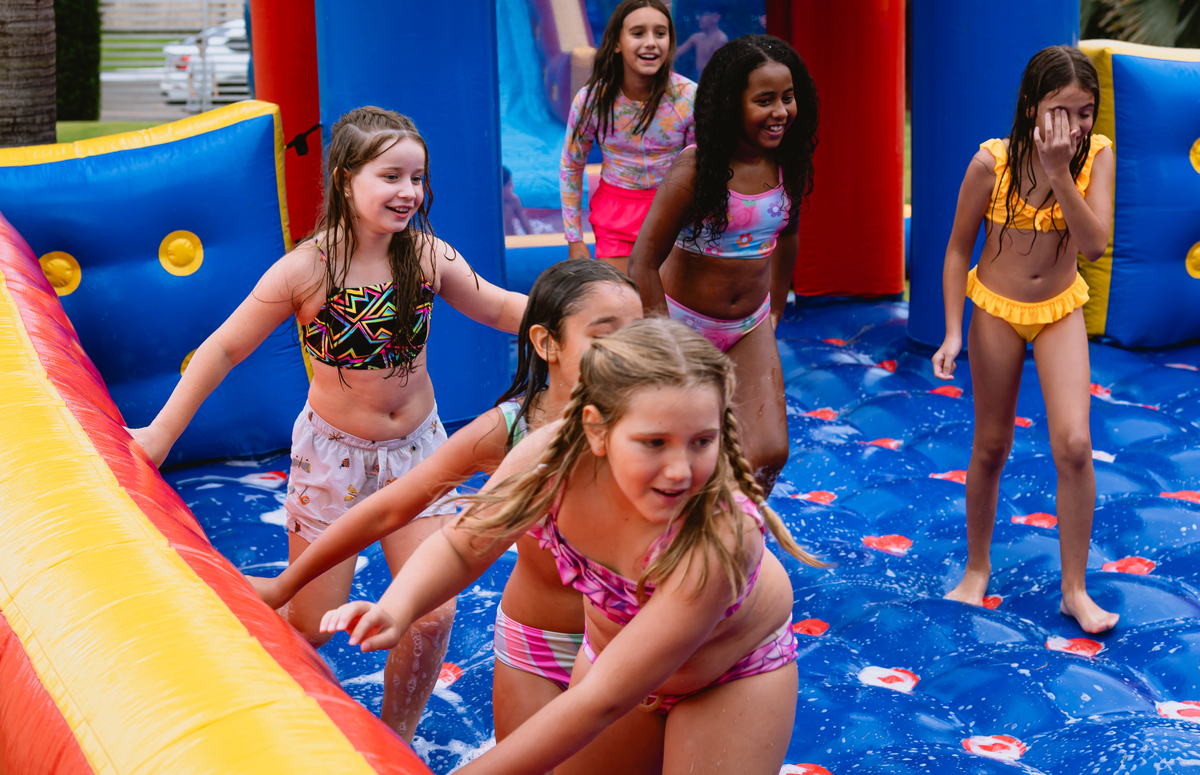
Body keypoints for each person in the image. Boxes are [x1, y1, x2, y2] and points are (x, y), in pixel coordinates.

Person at [127, 106, 528, 739]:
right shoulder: (306, 269)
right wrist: (158, 435)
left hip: (418, 452)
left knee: (429, 615)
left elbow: (501, 306)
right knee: (310, 623)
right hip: (333, 456)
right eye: (391, 176)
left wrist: (581, 317)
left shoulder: (426, 256)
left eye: (417, 179)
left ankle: (396, 738)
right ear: (344, 179)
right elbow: (223, 347)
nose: (409, 193)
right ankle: (306, 733)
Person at [322, 319, 821, 775]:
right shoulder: (551, 464)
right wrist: (398, 606)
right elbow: (462, 545)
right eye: (653, 443)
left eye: (701, 441)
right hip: (610, 660)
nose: (680, 469)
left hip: (729, 678)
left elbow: (597, 703)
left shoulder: (717, 540)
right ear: (597, 431)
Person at [246, 258, 644, 743]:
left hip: (631, 646)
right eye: (606, 337)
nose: (629, 353)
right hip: (536, 645)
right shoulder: (509, 432)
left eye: (639, 335)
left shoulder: (659, 426)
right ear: (546, 344)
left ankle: (397, 737)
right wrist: (285, 584)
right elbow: (397, 508)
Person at [932, 46, 1117, 634]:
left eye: (1085, 111)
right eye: (1061, 110)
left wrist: (1062, 171)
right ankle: (977, 569)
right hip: (995, 308)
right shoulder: (992, 164)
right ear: (1031, 106)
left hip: (1060, 308)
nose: (1075, 125)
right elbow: (959, 248)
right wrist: (954, 330)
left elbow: (1094, 246)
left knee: (1074, 445)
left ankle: (1074, 590)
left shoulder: (1097, 158)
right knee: (991, 445)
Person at [629, 35, 819, 491]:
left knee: (769, 452)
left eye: (788, 98)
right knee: (681, 456)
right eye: (765, 100)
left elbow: (788, 235)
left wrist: (774, 307)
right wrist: (664, 343)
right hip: (682, 325)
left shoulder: (787, 162)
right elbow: (643, 262)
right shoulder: (697, 169)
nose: (780, 112)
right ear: (732, 105)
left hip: (749, 325)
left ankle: (734, 546)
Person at [561, 0, 696, 274]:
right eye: (638, 33)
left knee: (670, 312)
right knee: (625, 305)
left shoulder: (688, 97)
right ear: (617, 44)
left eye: (660, 33)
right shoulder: (592, 101)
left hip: (676, 212)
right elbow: (572, 165)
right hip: (616, 215)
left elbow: (703, 166)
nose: (651, 42)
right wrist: (574, 239)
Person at [675, 9, 728, 77]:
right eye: (699, 14)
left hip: (712, 83)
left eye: (703, 14)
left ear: (716, 17)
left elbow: (716, 68)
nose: (698, 17)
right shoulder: (697, 37)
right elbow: (676, 53)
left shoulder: (720, 39)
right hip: (700, 82)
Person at [502, 165, 533, 235]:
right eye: (509, 185)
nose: (513, 187)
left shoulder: (513, 200)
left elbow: (526, 225)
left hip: (512, 241)